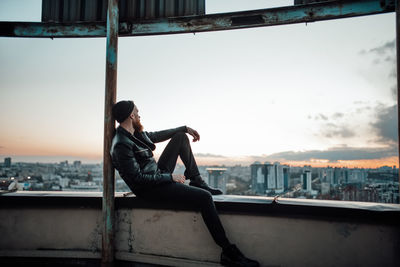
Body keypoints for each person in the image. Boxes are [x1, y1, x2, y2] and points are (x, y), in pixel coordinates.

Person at [110, 100, 260, 267]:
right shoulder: (121, 144)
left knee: (180, 138)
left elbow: (155, 135)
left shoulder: (133, 133)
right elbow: (138, 180)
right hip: (151, 189)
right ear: (131, 115)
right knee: (204, 198)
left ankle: (196, 180)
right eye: (137, 112)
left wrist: (184, 128)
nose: (139, 115)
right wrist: (170, 178)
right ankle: (229, 252)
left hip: (157, 175)